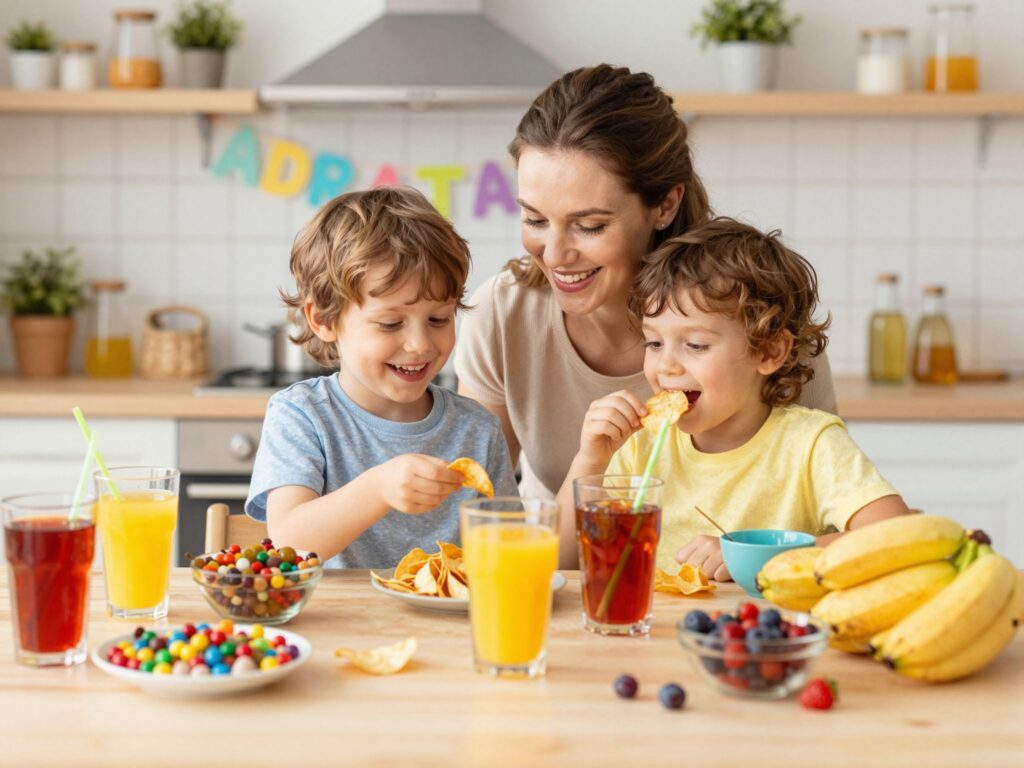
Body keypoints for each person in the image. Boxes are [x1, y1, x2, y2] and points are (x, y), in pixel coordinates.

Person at [455, 64, 837, 515]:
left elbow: (822, 516)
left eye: (590, 225)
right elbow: (478, 510)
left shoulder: (754, 316)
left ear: (664, 205)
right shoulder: (501, 314)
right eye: (535, 219)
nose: (555, 254)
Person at [555, 217, 910, 577]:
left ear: (769, 352)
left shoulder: (810, 445)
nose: (666, 366)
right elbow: (558, 564)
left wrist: (759, 556)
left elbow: (896, 537)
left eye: (695, 345)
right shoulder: (639, 448)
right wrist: (591, 461)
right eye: (654, 343)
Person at [246, 187, 518, 568]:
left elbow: (511, 550)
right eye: (390, 324)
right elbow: (288, 541)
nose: (420, 344)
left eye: (439, 319)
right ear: (323, 320)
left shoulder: (478, 430)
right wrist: (378, 488)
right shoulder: (302, 415)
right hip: (339, 626)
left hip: (451, 628)